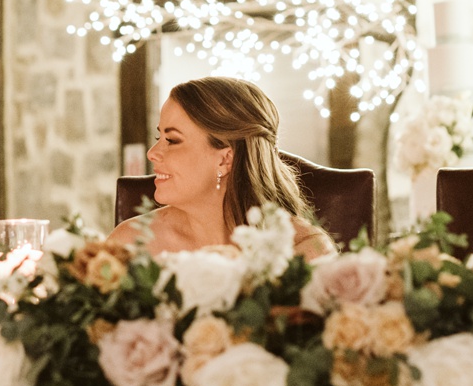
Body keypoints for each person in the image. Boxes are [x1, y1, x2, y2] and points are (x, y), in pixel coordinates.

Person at [108, 77, 334, 260]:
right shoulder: (130, 245)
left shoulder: (304, 253)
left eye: (172, 140)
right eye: (159, 136)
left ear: (225, 160)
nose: (152, 153)